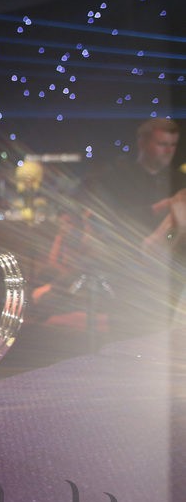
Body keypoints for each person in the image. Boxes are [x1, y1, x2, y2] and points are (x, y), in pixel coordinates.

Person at [82, 118, 182, 339]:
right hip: (127, 272)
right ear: (143, 143)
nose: (168, 151)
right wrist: (162, 207)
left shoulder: (180, 181)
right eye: (162, 144)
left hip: (171, 273)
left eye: (173, 145)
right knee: (128, 340)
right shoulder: (115, 179)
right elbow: (106, 220)